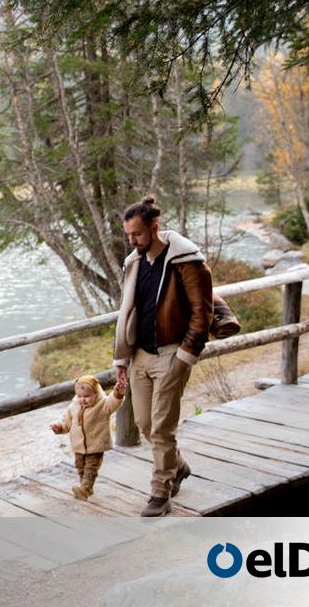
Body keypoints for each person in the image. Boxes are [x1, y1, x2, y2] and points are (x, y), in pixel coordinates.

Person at [113, 195, 214, 517]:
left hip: (173, 354)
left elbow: (203, 313)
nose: (132, 240)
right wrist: (122, 358)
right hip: (140, 356)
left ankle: (160, 492)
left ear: (154, 228)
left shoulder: (187, 262)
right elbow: (127, 312)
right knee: (144, 424)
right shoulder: (135, 262)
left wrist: (185, 356)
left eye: (138, 234)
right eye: (128, 235)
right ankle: (178, 466)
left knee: (161, 428)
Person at [49, 375, 124, 500]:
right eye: (79, 396)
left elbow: (113, 403)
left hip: (96, 445)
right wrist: (60, 427)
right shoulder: (74, 406)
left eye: (87, 396)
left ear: (96, 393)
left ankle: (85, 489)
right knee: (80, 466)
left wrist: (118, 393)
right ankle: (85, 487)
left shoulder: (103, 405)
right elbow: (67, 423)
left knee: (90, 468)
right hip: (78, 445)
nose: (82, 399)